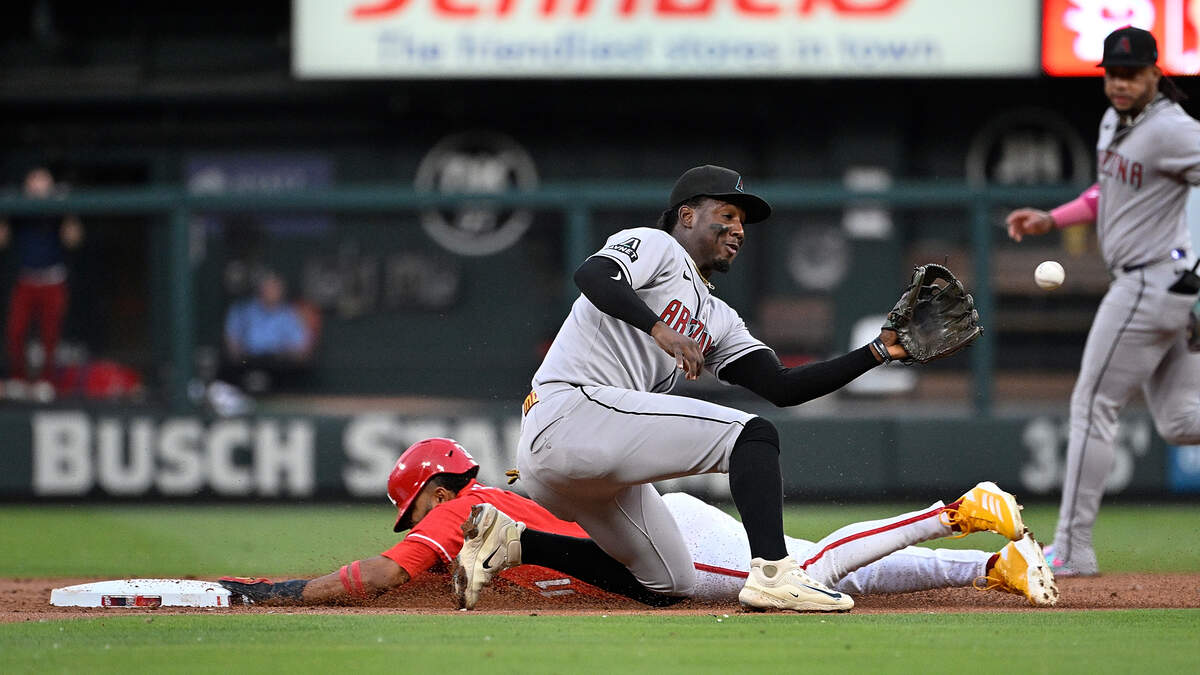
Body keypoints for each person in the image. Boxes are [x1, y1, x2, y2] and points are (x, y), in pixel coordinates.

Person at [453, 164, 981, 613]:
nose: (738, 228)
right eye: (725, 215)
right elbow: (593, 275)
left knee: (667, 583)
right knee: (750, 435)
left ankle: (515, 541)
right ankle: (774, 573)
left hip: (587, 458)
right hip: (571, 411)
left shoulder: (719, 318)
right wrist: (659, 327)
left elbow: (782, 386)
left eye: (742, 221)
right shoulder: (657, 246)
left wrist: (878, 352)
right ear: (687, 215)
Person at [218, 437, 1058, 607]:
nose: (418, 523)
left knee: (807, 573)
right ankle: (993, 569)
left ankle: (955, 510)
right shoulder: (494, 500)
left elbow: (380, 575)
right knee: (831, 565)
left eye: (416, 507)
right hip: (663, 526)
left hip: (668, 543)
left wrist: (285, 591)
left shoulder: (468, 509)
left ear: (436, 491)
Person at [1004, 27, 1200, 577]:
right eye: (1112, 73)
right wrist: (1054, 217)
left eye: (1131, 73)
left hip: (1150, 281)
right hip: (1162, 285)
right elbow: (1108, 192)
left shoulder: (1174, 130)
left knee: (1092, 405)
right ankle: (1072, 547)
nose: (1119, 82)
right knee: (1183, 421)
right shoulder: (1116, 120)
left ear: (1156, 75)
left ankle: (1071, 549)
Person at [0, 166, 83, 403]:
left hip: (53, 279)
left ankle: (47, 381)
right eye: (33, 181)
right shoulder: (20, 209)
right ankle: (18, 379)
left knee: (49, 335)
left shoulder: (57, 209)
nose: (37, 186)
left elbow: (73, 239)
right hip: (26, 279)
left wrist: (68, 211)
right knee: (15, 331)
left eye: (42, 181)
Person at [221, 270, 314, 393]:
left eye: (275, 287)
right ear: (260, 289)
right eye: (268, 287)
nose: (271, 291)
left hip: (279, 366)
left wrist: (286, 352)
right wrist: (239, 356)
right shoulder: (243, 310)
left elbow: (301, 349)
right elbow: (232, 341)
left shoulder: (290, 314)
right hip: (248, 363)